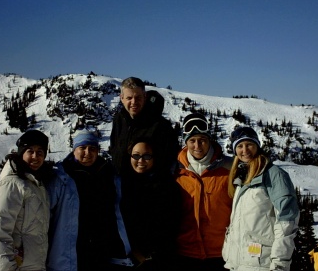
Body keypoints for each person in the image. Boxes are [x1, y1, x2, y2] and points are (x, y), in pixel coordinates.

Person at [45, 129, 126, 271]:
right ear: (74, 150)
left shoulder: (109, 175)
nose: (87, 153)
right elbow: (46, 215)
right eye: (82, 148)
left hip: (103, 249)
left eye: (92, 148)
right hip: (72, 249)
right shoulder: (61, 177)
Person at [222, 126, 300, 271]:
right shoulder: (241, 177)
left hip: (262, 264)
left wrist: (279, 264)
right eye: (239, 146)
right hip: (236, 263)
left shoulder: (273, 175)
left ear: (257, 146)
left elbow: (287, 222)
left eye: (249, 144)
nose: (244, 150)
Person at [174, 113, 233, 271]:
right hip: (185, 253)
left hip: (221, 253)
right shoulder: (175, 170)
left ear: (210, 140)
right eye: (192, 141)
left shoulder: (229, 168)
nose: (197, 146)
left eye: (202, 140)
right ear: (186, 143)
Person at [0, 129, 51, 271]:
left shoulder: (36, 184)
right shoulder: (12, 183)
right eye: (30, 151)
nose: (35, 156)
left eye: (40, 152)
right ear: (22, 152)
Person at [120, 138, 182, 270]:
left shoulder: (166, 186)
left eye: (147, 156)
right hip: (127, 257)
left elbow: (171, 224)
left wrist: (149, 254)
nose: (141, 160)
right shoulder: (121, 184)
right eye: (136, 155)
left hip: (159, 258)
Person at [110, 77, 179, 177]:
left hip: (147, 187)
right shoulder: (119, 119)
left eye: (138, 97)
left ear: (145, 96)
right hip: (121, 182)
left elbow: (169, 160)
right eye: (129, 98)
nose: (134, 102)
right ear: (122, 98)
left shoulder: (160, 125)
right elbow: (114, 147)